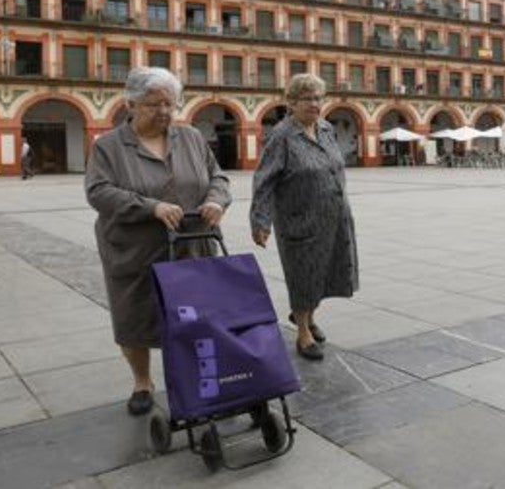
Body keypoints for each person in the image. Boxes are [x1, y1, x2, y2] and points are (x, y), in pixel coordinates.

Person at [85, 68, 231, 416]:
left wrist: (215, 200)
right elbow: (99, 192)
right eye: (154, 104)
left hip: (191, 245)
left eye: (170, 104)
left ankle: (198, 377)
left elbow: (218, 177)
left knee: (195, 317)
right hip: (134, 250)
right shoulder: (109, 146)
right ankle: (142, 381)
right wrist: (150, 207)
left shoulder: (191, 137)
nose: (164, 111)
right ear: (131, 104)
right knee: (135, 317)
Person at [250, 74, 359, 362]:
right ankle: (302, 333)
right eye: (307, 99)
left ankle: (308, 317)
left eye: (318, 98)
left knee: (322, 272)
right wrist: (260, 220)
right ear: (292, 102)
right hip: (299, 218)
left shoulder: (325, 128)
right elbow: (263, 179)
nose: (315, 104)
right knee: (303, 274)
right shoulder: (282, 136)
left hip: (334, 217)